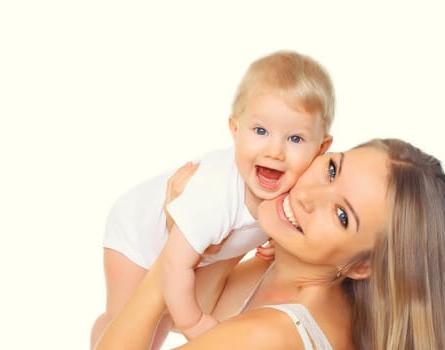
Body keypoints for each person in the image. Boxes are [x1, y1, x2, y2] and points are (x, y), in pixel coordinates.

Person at [95, 138, 445, 350]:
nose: (310, 194)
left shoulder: (271, 334)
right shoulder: (286, 271)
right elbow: (188, 314)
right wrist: (210, 236)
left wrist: (176, 246)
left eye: (342, 215)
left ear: (361, 266)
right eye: (332, 169)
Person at [90, 51, 335, 348]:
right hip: (136, 234)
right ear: (235, 129)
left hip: (194, 251)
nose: (275, 151)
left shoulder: (297, 190)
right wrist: (193, 323)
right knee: (131, 321)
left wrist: (276, 239)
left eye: (295, 139)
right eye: (260, 131)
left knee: (163, 318)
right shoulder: (214, 196)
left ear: (321, 148)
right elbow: (174, 266)